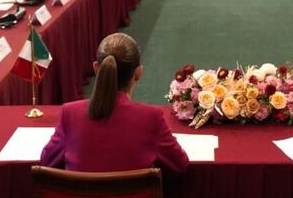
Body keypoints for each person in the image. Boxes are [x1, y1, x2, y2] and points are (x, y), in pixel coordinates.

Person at [40, 32, 188, 172]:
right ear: (138, 73)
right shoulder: (151, 117)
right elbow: (180, 164)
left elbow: (46, 161)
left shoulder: (69, 113)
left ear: (96, 69)